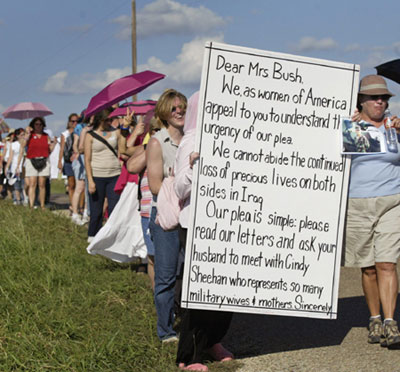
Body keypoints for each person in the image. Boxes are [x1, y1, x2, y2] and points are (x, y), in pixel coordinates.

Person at [174, 92, 233, 371]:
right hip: (199, 226)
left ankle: (213, 341)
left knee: (226, 291)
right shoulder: (191, 141)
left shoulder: (232, 137)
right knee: (200, 293)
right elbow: (179, 189)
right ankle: (189, 356)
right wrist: (194, 167)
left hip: (227, 225)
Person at [345, 75, 400, 349]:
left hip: (392, 202)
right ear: (361, 101)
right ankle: (375, 318)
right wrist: (343, 128)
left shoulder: (394, 126)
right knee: (368, 267)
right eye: (374, 97)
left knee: (387, 262)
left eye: (385, 97)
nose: (380, 101)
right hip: (357, 202)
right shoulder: (347, 126)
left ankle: (391, 322)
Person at [147, 89, 187, 342]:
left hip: (190, 216)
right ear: (164, 112)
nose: (180, 111)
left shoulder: (193, 139)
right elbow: (154, 185)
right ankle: (166, 331)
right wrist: (180, 184)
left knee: (186, 272)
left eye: (182, 106)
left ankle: (189, 321)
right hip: (167, 218)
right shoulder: (157, 142)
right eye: (174, 108)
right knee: (165, 276)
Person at [84, 108, 122, 242]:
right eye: (107, 120)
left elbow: (122, 150)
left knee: (114, 207)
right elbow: (87, 159)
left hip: (115, 174)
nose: (110, 122)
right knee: (96, 209)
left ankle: (112, 236)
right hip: (97, 175)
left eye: (111, 119)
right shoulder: (90, 135)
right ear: (100, 119)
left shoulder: (116, 132)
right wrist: (90, 180)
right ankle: (93, 235)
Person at [23, 117, 55, 209]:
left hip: (43, 160)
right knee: (32, 183)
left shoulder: (46, 136)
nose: (38, 126)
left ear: (43, 125)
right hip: (31, 159)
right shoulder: (30, 135)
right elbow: (23, 145)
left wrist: (53, 144)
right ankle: (31, 205)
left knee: (42, 184)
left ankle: (42, 205)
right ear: (33, 125)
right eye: (36, 124)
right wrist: (27, 134)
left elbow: (49, 150)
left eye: (40, 124)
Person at [58, 113, 78, 210]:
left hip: (78, 160)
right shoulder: (65, 134)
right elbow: (62, 148)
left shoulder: (80, 131)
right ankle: (72, 204)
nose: (74, 123)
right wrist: (59, 161)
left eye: (76, 121)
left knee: (79, 184)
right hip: (68, 161)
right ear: (69, 122)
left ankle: (79, 205)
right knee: (71, 184)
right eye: (72, 121)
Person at [5, 128, 25, 204]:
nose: (23, 136)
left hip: (23, 166)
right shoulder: (13, 145)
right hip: (15, 166)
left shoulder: (25, 144)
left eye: (24, 134)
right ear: (17, 136)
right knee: (16, 184)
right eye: (21, 135)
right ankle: (17, 199)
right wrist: (7, 167)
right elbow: (10, 157)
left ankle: (24, 198)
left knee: (23, 184)